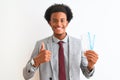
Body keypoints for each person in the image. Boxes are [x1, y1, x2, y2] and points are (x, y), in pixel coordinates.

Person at [23, 3, 98, 80]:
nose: (59, 24)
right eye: (55, 20)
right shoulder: (41, 44)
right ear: (50, 23)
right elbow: (26, 75)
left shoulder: (78, 44)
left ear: (67, 22)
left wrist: (90, 65)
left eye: (62, 20)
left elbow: (87, 75)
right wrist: (36, 61)